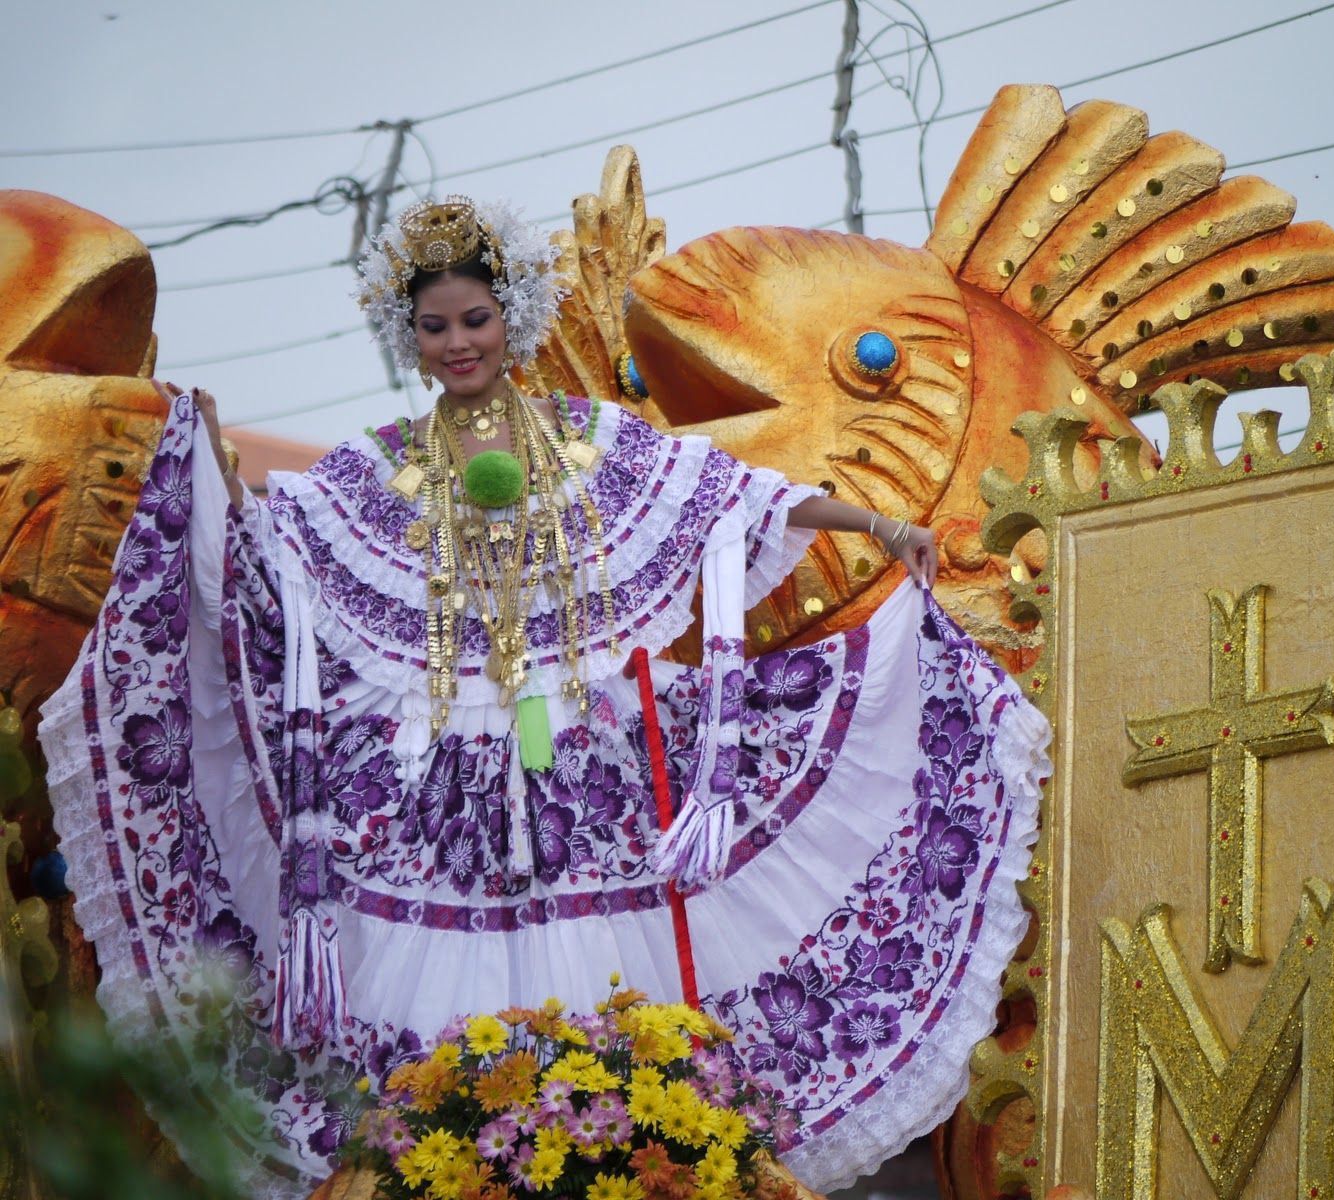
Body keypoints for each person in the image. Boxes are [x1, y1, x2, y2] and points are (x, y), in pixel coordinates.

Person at [39, 196, 1048, 1198]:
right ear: (410, 337)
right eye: (433, 326)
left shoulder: (591, 446)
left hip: (581, 784)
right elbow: (266, 557)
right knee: (437, 1071)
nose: (457, 342)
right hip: (439, 810)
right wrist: (193, 460)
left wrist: (876, 522)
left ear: (510, 316)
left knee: (611, 1035)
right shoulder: (376, 468)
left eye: (474, 319)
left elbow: (737, 496)